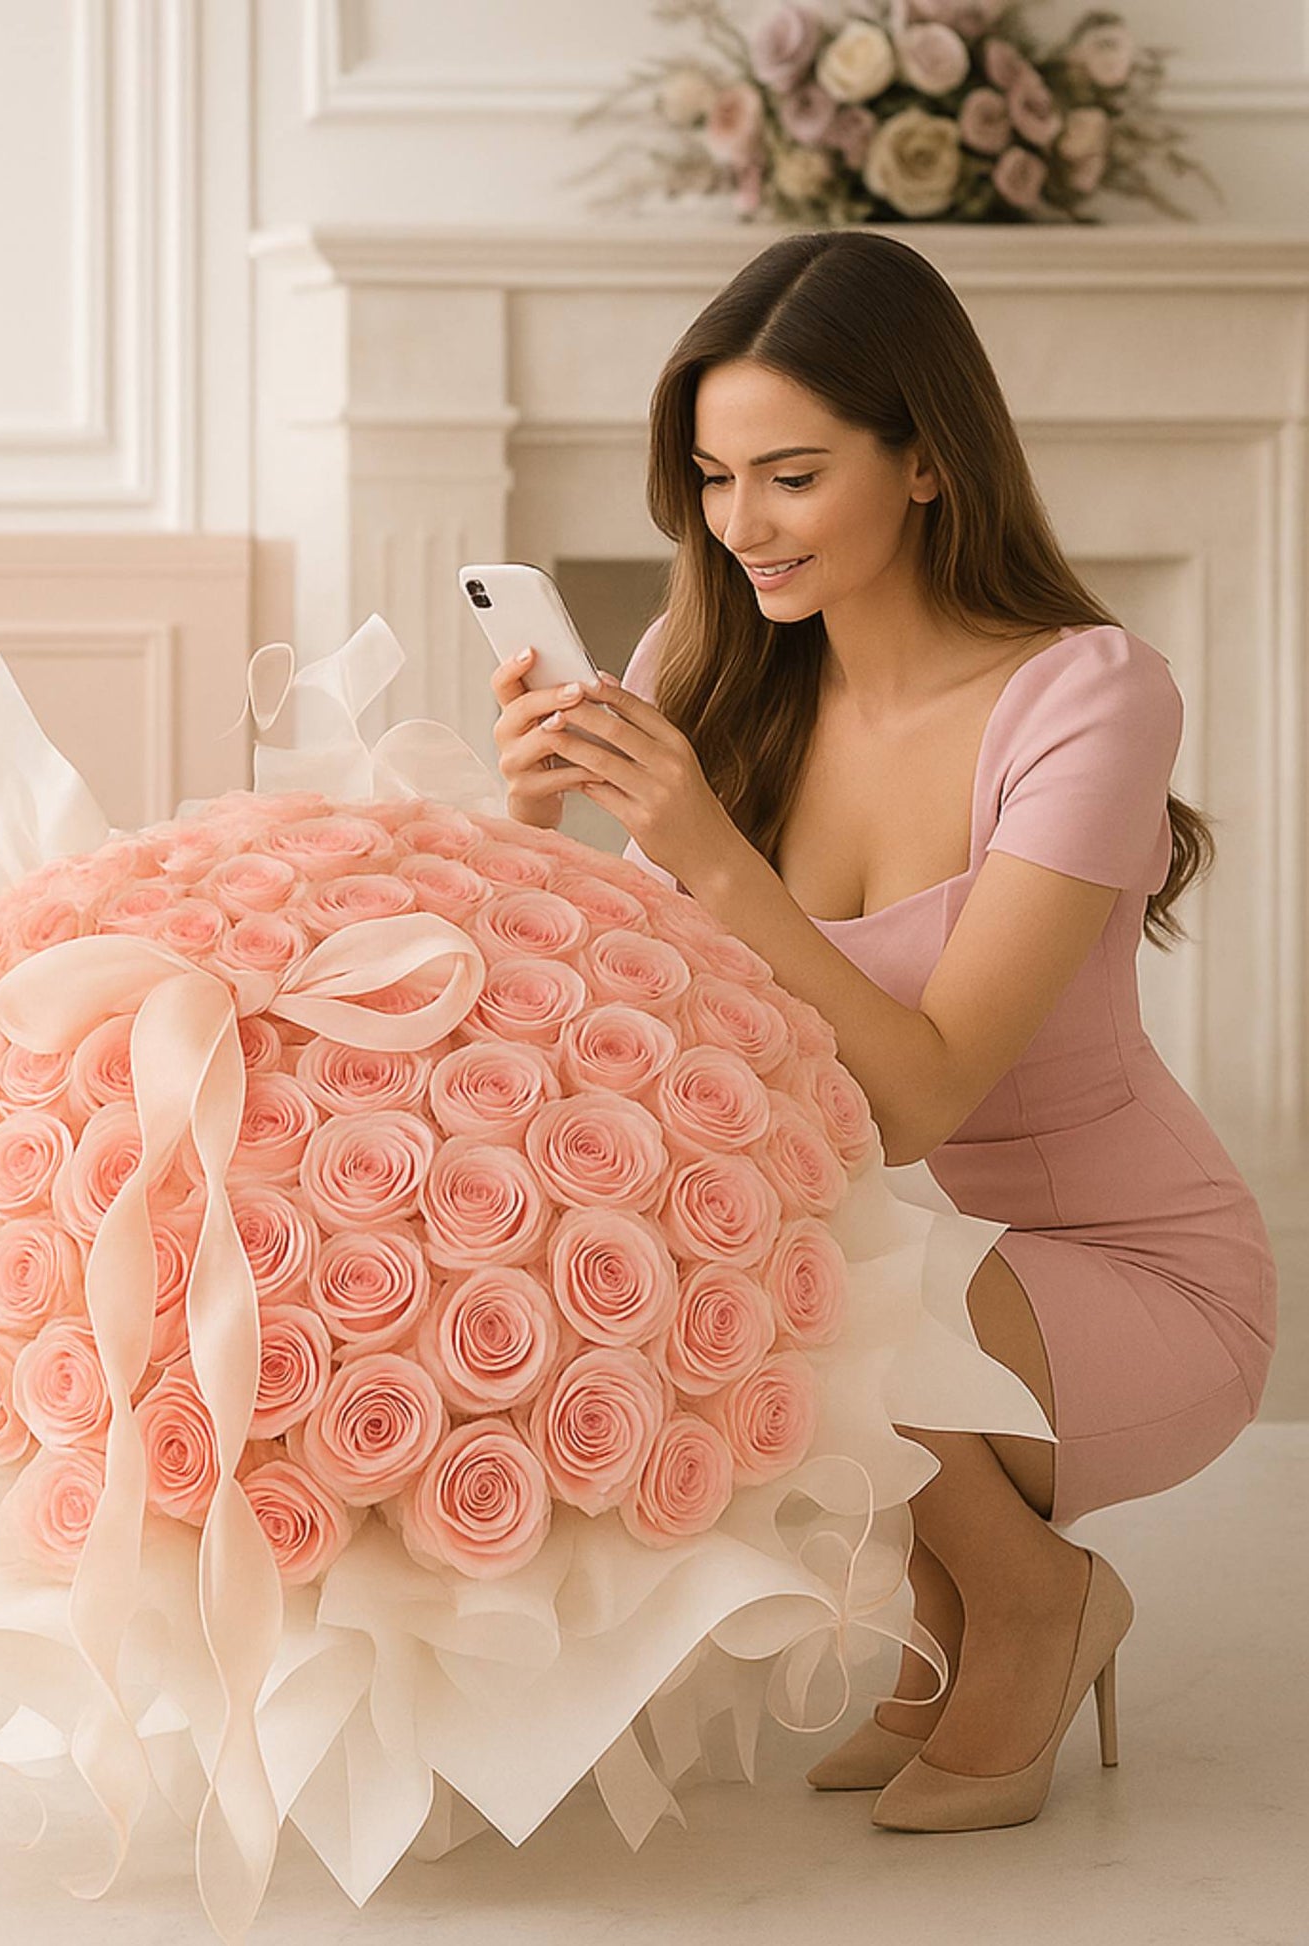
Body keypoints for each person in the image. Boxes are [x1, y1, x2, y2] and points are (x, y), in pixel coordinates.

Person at [488, 229, 1277, 1833]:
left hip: (1125, 1275)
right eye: (710, 479)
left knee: (811, 1257)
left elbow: (914, 1100)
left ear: (923, 461)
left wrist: (708, 846)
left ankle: (1030, 1596)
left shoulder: (1084, 695)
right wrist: (527, 820)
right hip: (883, 1251)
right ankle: (959, 1601)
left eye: (788, 475)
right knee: (676, 1232)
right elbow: (636, 1030)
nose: (738, 526)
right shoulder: (704, 672)